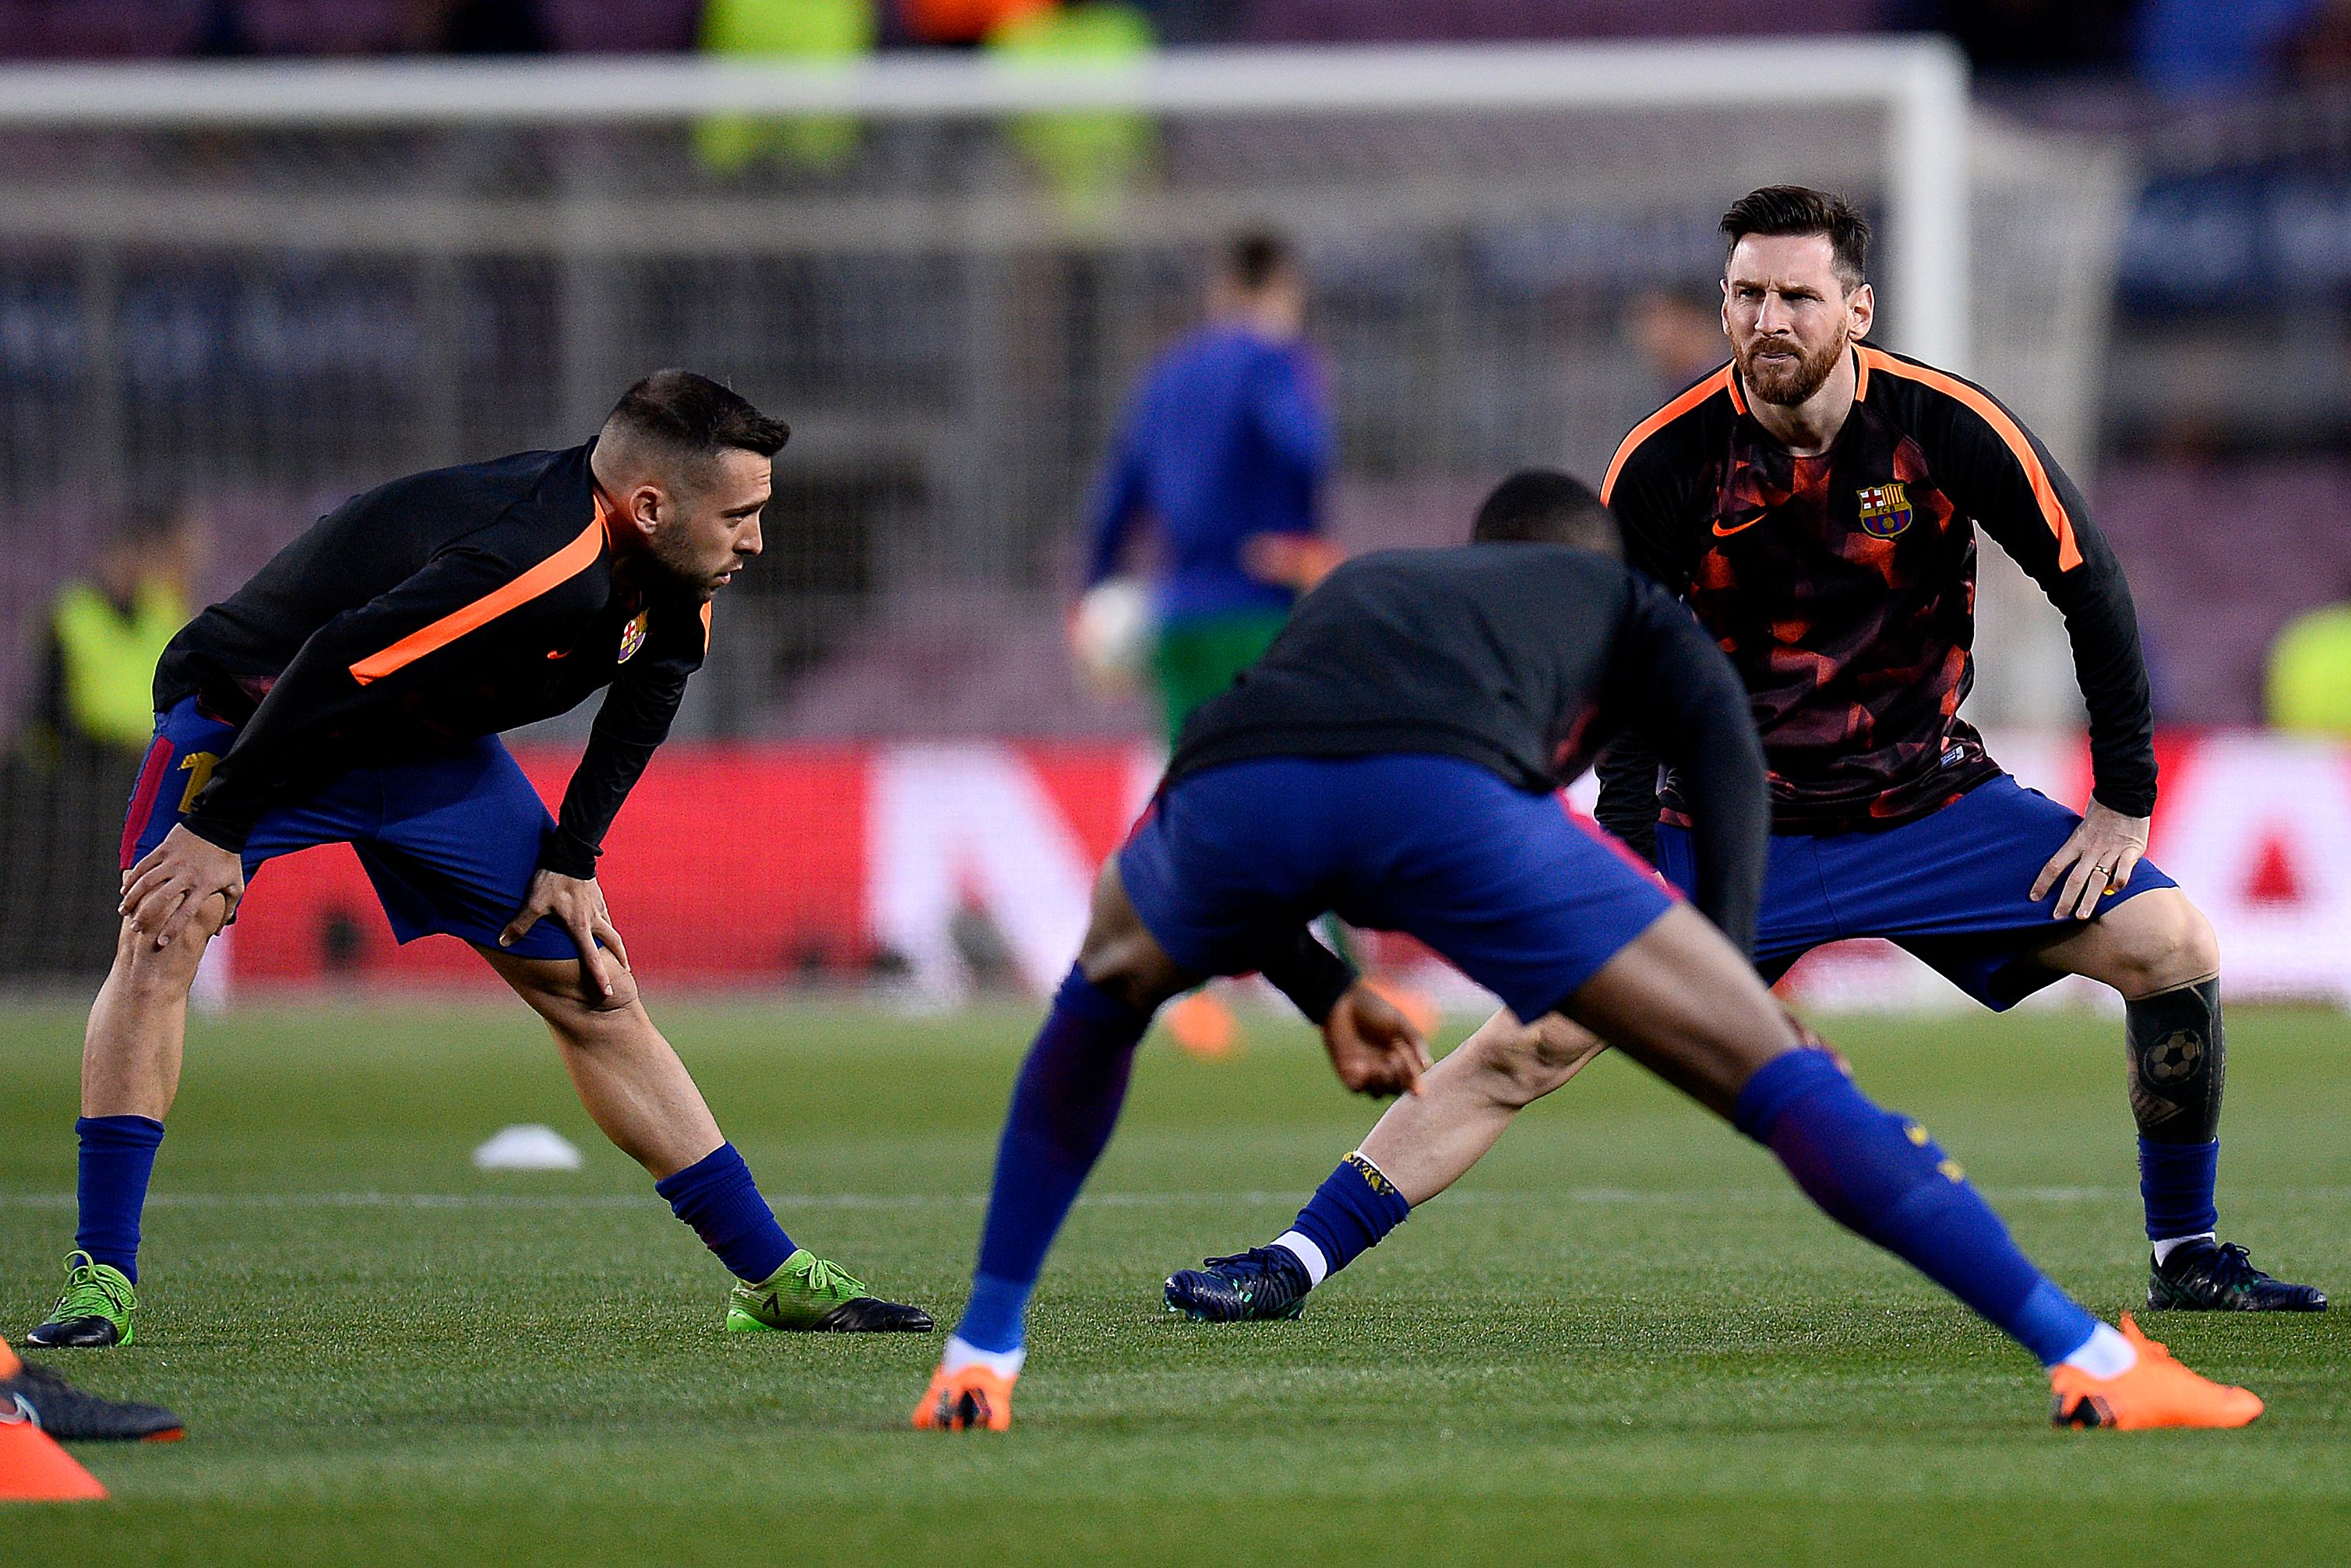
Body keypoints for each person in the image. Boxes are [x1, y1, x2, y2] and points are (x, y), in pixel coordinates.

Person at [1165, 185, 2324, 1327]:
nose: (1768, 320)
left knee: (2172, 945)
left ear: (1857, 309)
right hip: (1726, 830)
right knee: (1529, 1042)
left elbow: (2090, 584)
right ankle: (1292, 1261)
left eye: (1796, 298)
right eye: (1746, 295)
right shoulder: (1664, 464)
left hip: (1923, 808)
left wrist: (2123, 797)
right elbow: (1617, 676)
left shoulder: (1945, 426)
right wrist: (1624, 858)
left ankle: (2186, 1254)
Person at [910, 471, 2261, 1434]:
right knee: (1781, 1082)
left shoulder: (1368, 582)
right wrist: (1729, 974)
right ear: (1590, 559)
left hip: (1224, 782)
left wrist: (1330, 990)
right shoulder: (1623, 602)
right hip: (1450, 800)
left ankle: (982, 1350)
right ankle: (2089, 1361)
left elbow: (1279, 771)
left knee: (1098, 1002)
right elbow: (1718, 747)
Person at [21, 371, 929, 1351]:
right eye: (739, 516)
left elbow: (648, 695)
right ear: (651, 506)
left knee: (593, 986)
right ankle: (100, 1278)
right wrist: (218, 827)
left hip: (425, 749)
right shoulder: (535, 561)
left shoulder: (677, 572)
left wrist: (573, 857)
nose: (754, 541)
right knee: (160, 936)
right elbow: (333, 663)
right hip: (260, 715)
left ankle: (773, 1277)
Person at [1079, 227, 1345, 1053]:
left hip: (1178, 613)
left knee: (1189, 789)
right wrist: (1301, 535)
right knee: (1304, 781)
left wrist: (1094, 589)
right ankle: (1341, 981)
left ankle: (1168, 982)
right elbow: (1302, 444)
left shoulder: (1167, 373)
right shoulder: (1273, 360)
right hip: (1256, 606)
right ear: (1281, 287)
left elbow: (1117, 492)